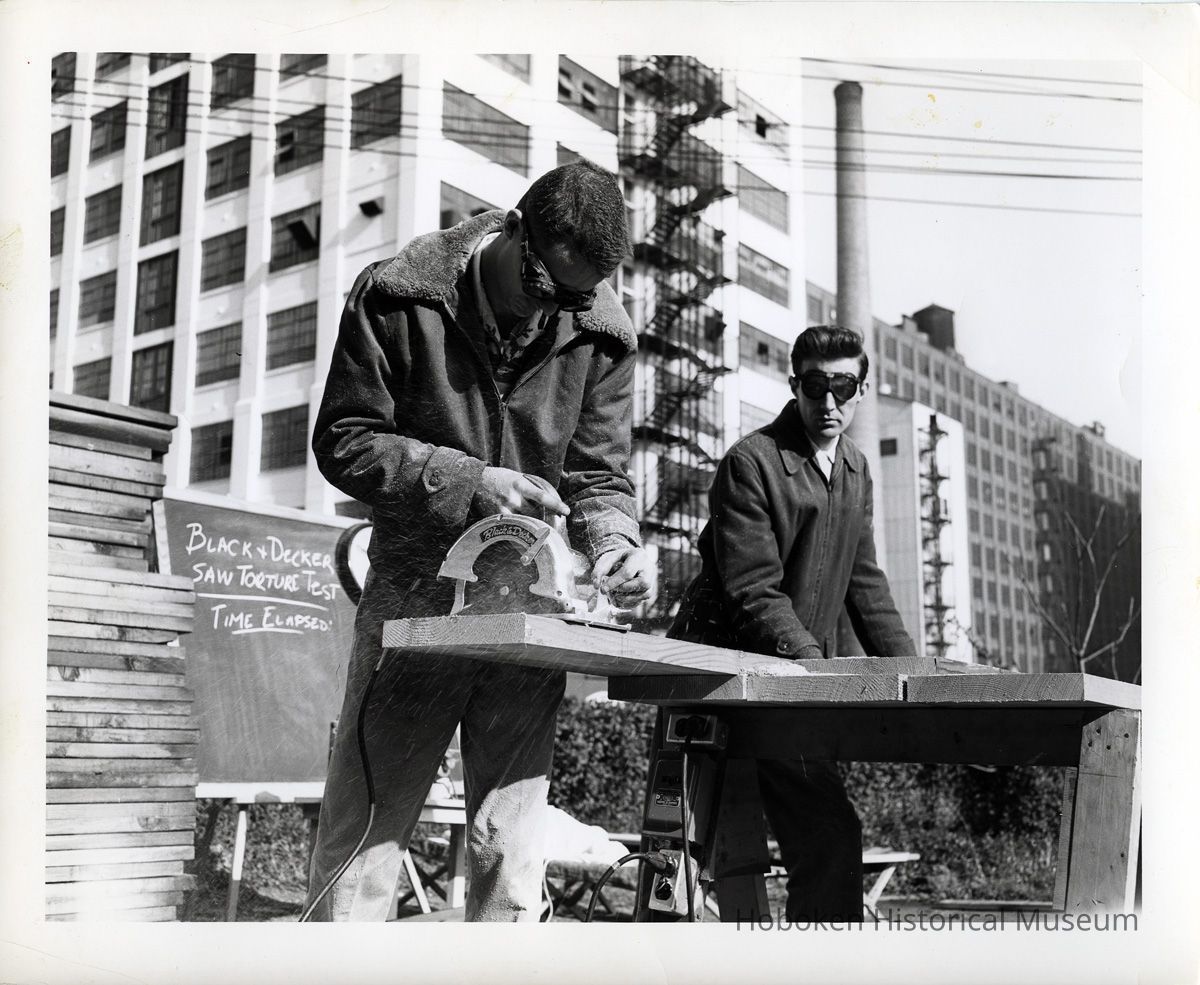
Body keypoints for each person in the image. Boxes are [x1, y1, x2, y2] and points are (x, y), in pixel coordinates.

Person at [305, 162, 652, 921]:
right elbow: (343, 440)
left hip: (528, 620)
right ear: (513, 226)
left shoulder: (600, 332)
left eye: (577, 299)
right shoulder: (397, 296)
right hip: (412, 608)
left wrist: (616, 541)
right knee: (366, 843)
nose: (554, 312)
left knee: (510, 846)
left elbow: (601, 475)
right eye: (543, 287)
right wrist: (470, 481)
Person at [669, 324, 916, 922]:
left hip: (791, 687)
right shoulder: (750, 462)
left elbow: (866, 583)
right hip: (717, 682)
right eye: (814, 387)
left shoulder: (856, 469)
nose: (828, 403)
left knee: (830, 841)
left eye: (842, 387)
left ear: (861, 388)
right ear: (794, 385)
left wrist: (917, 673)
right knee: (681, 867)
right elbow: (753, 587)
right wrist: (815, 666)